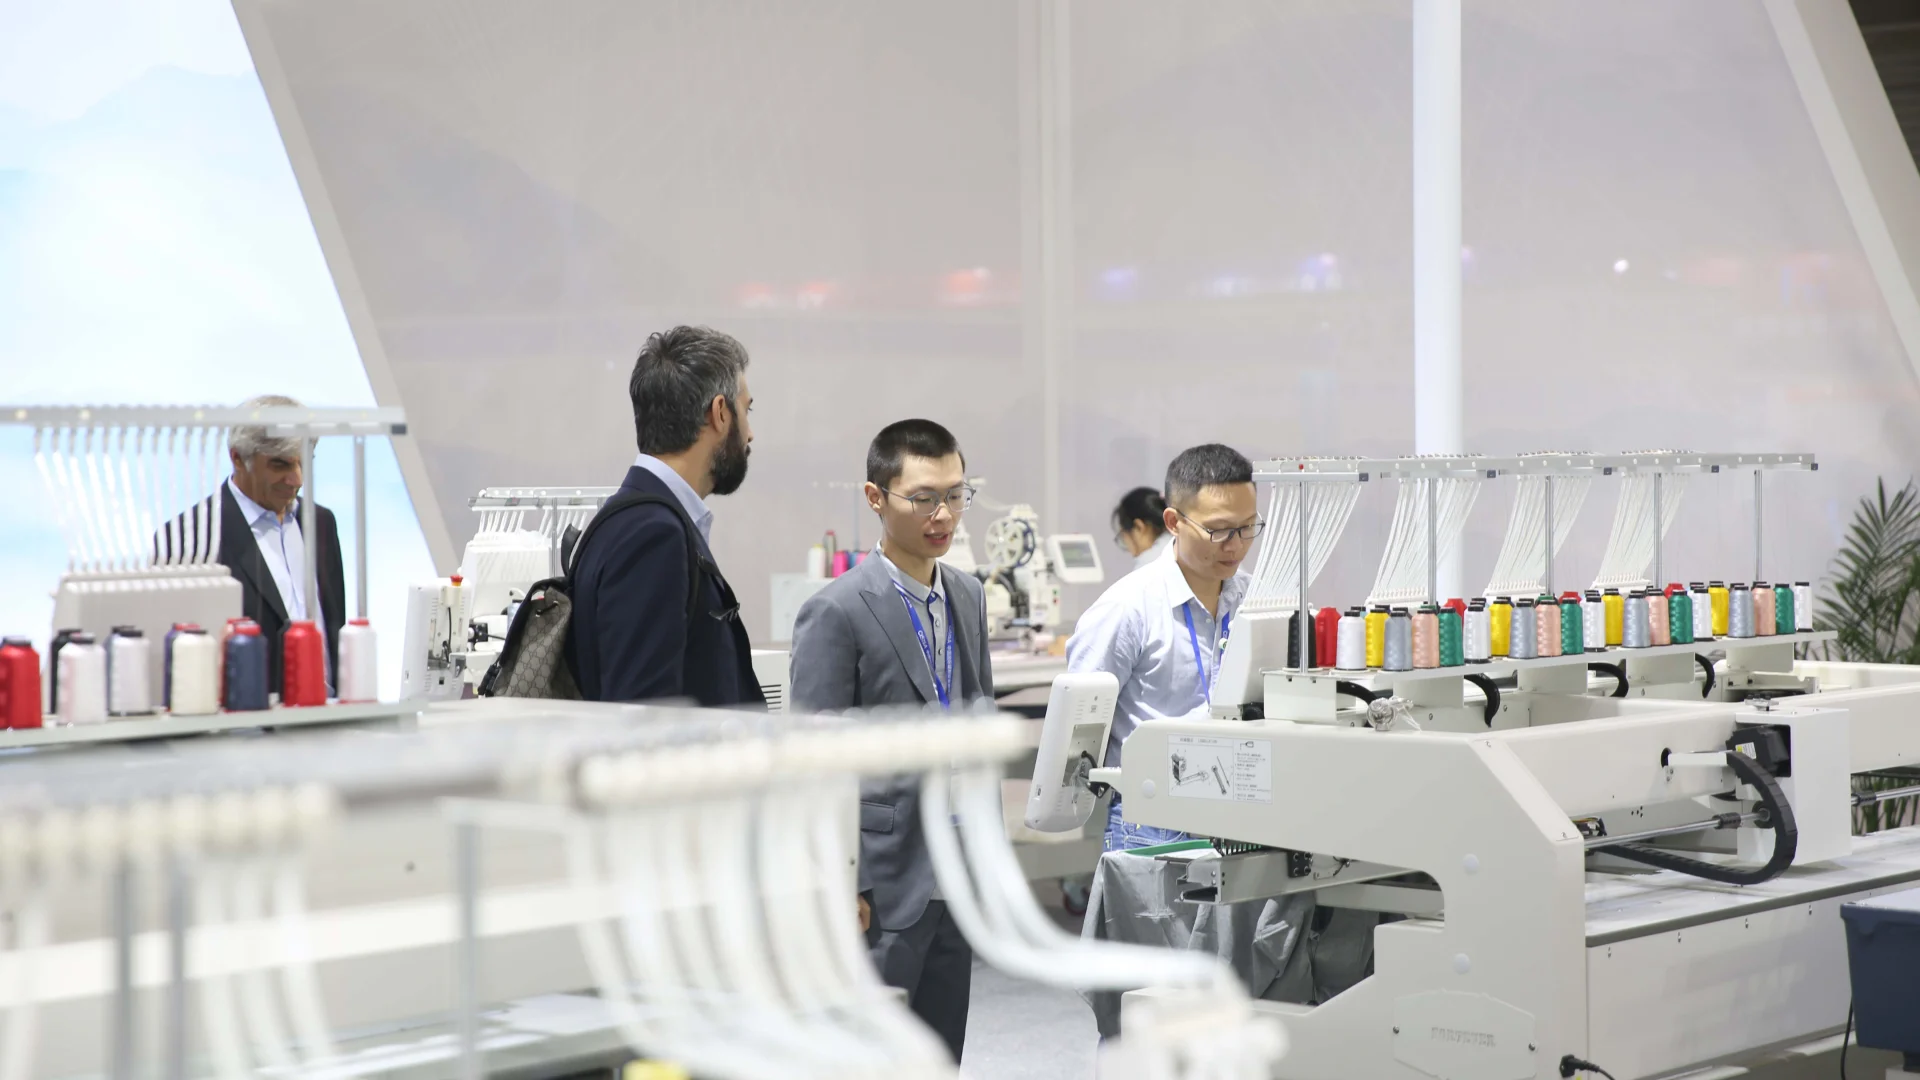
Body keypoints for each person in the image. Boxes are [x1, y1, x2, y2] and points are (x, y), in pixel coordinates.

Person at [788, 419, 993, 1065]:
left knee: (941, 1055)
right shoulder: (838, 609)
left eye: (956, 496)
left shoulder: (967, 594)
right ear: (876, 498)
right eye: (924, 498)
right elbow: (813, 760)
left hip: (957, 870)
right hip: (881, 880)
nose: (943, 515)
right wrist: (836, 880)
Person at [1067, 444, 1262, 851]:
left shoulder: (1256, 600)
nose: (1235, 545)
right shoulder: (1126, 609)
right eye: (1219, 530)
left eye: (1247, 527)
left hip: (1243, 813)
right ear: (1173, 522)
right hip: (1154, 822)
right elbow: (1076, 726)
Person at [566, 325, 764, 707]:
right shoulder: (653, 536)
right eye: (746, 409)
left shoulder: (632, 521)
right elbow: (644, 711)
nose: (750, 433)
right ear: (720, 413)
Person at [159, 394, 346, 696]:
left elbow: (334, 631)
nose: (297, 479)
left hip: (332, 714)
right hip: (249, 719)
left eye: (304, 463)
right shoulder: (189, 538)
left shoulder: (322, 523)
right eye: (280, 465)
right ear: (237, 458)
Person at [1112, 485, 1172, 570]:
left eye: (1123, 539)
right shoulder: (1183, 549)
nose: (1131, 553)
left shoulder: (1148, 566)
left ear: (1139, 527)